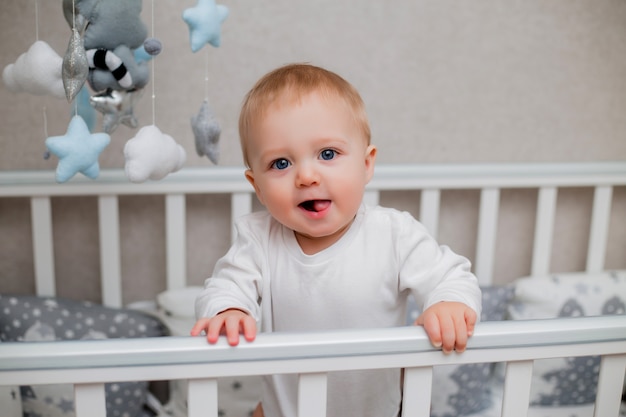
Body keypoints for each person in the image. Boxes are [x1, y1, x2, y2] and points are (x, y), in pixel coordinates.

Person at [191, 63, 482, 417]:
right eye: (281, 163)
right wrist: (229, 310)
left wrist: (448, 302)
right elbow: (225, 287)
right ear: (258, 187)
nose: (307, 176)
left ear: (366, 164)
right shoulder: (258, 239)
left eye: (328, 154)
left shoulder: (393, 234)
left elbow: (451, 277)